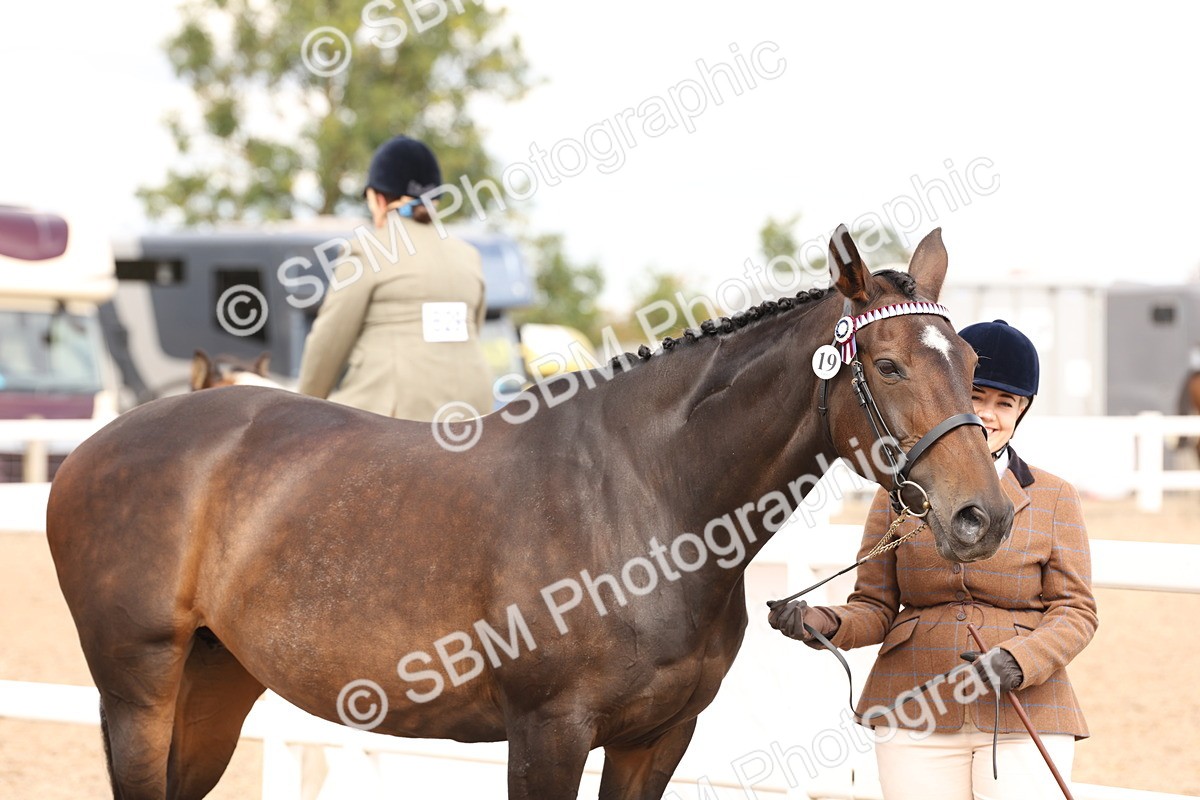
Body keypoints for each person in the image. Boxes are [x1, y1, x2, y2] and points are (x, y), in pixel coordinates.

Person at [769, 320, 1098, 800]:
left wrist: (1019, 659)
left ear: (1021, 412)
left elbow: (1076, 611)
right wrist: (824, 621)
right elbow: (875, 607)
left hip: (1023, 705)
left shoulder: (1053, 497)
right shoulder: (897, 496)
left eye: (1004, 404)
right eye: (976, 397)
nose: (986, 415)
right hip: (913, 704)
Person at [297, 134, 494, 420]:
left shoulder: (366, 251)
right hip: (476, 408)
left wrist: (301, 408)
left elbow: (328, 343)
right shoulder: (468, 255)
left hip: (398, 414)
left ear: (378, 198)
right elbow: (473, 330)